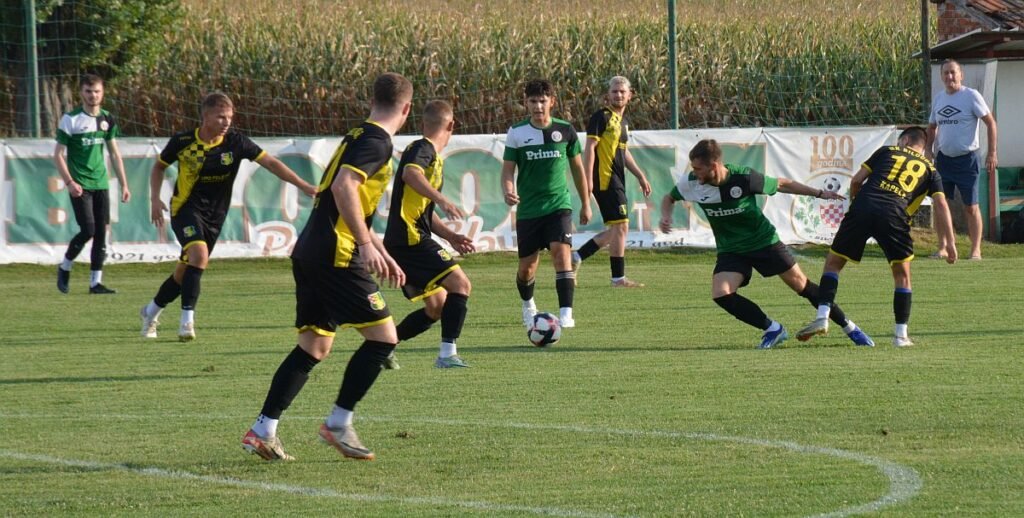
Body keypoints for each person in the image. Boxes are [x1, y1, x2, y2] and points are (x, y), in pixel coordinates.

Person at [242, 72, 412, 462]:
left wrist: (379, 249)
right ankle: (338, 423)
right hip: (337, 254)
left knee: (314, 345)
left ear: (373, 101)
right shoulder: (377, 141)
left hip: (311, 250)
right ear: (406, 109)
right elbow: (343, 187)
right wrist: (365, 245)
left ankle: (263, 430)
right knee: (384, 339)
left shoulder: (357, 135)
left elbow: (348, 204)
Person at [658, 139, 874, 349]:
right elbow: (669, 198)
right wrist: (665, 216)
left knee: (803, 287)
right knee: (721, 293)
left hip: (763, 242)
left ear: (713, 166)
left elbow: (782, 184)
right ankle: (773, 329)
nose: (694, 172)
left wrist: (819, 193)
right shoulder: (691, 183)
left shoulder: (743, 178)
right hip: (731, 249)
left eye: (698, 168)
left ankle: (850, 328)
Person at [140, 92, 316, 341]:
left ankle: (150, 312)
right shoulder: (184, 141)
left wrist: (304, 185)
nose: (227, 122)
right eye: (221, 117)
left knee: (184, 271)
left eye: (230, 117)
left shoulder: (236, 142)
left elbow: (271, 163)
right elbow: (159, 167)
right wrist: (155, 200)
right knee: (199, 256)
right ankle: (186, 323)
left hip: (215, 216)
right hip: (185, 209)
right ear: (205, 116)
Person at [796, 127, 957, 348]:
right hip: (895, 214)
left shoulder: (887, 151)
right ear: (922, 146)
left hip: (864, 206)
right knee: (902, 276)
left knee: (833, 264)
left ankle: (823, 316)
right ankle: (900, 336)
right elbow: (941, 204)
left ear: (905, 140)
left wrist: (856, 206)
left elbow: (856, 181)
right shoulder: (931, 171)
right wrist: (950, 243)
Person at [384, 100, 476, 369]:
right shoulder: (422, 148)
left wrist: (450, 236)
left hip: (407, 237)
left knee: (436, 306)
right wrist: (443, 200)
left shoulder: (432, 157)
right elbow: (410, 174)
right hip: (409, 238)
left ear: (423, 123)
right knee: (461, 285)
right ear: (452, 125)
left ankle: (383, 346)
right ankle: (447, 355)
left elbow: (422, 209)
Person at [501, 79, 591, 329]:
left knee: (561, 255)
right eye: (533, 101)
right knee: (527, 268)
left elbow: (578, 170)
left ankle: (566, 314)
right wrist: (508, 190)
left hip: (558, 205)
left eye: (542, 101)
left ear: (552, 102)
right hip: (529, 210)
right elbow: (508, 170)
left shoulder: (565, 130)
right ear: (526, 103)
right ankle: (528, 304)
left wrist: (586, 203)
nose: (538, 106)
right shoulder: (517, 133)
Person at [572, 76, 652, 288]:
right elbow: (590, 148)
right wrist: (588, 180)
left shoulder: (623, 122)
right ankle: (617, 278)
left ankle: (577, 257)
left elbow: (623, 152)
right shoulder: (601, 117)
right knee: (621, 226)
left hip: (616, 178)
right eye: (614, 91)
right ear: (607, 95)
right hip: (605, 179)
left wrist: (640, 175)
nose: (618, 95)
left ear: (630, 95)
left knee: (619, 229)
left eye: (622, 91)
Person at [54, 74, 129, 294]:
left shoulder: (107, 119)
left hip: (101, 183)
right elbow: (58, 155)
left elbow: (114, 154)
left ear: (102, 93)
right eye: (88, 91)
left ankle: (95, 283)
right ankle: (65, 266)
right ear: (81, 93)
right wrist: (69, 182)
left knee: (101, 233)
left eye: (96, 91)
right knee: (88, 229)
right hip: (80, 184)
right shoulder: (71, 119)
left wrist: (124, 184)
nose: (93, 95)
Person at [926, 59, 997, 260]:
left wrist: (992, 152)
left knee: (971, 206)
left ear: (961, 75)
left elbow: (991, 123)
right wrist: (928, 149)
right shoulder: (939, 99)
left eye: (953, 72)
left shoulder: (971, 96)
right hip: (944, 161)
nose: (949, 76)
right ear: (941, 76)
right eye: (946, 73)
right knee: (941, 204)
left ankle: (975, 250)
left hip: (967, 160)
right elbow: (931, 127)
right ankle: (943, 247)